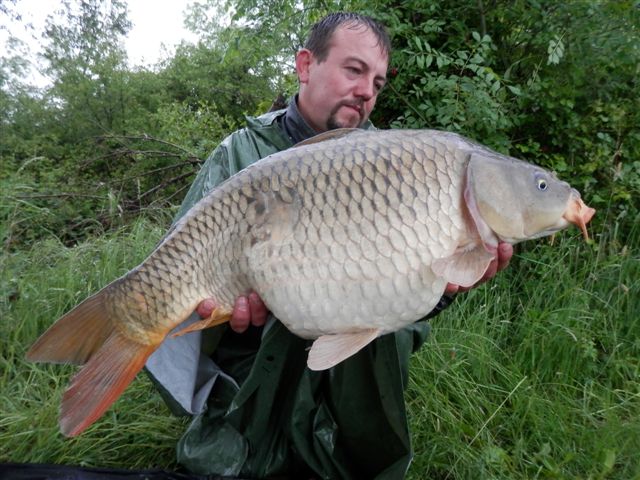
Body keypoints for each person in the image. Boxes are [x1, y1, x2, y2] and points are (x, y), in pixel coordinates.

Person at [146, 12, 512, 479]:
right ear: (305, 65)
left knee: (390, 332)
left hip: (349, 362)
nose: (366, 92)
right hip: (252, 359)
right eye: (354, 70)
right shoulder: (240, 153)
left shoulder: (402, 165)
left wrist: (440, 290)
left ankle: (346, 451)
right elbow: (181, 284)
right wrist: (226, 319)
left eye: (377, 83)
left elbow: (408, 299)